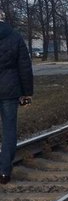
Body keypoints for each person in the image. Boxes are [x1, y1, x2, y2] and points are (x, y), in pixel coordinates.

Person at [0, 13, 34, 184]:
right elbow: (24, 66)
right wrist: (27, 93)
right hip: (10, 91)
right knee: (9, 131)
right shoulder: (15, 36)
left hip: (9, 91)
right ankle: (4, 171)